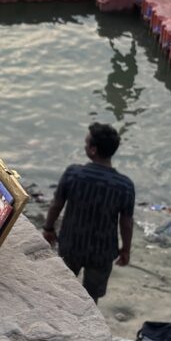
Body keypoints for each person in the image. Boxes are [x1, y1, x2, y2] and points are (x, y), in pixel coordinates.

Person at [42, 122, 134, 301]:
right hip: (102, 252)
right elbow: (126, 223)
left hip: (71, 245)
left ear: (93, 150)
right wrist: (126, 250)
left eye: (86, 143)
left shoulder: (73, 174)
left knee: (64, 290)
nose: (84, 145)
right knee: (91, 298)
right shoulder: (125, 185)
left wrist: (48, 228)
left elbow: (56, 204)